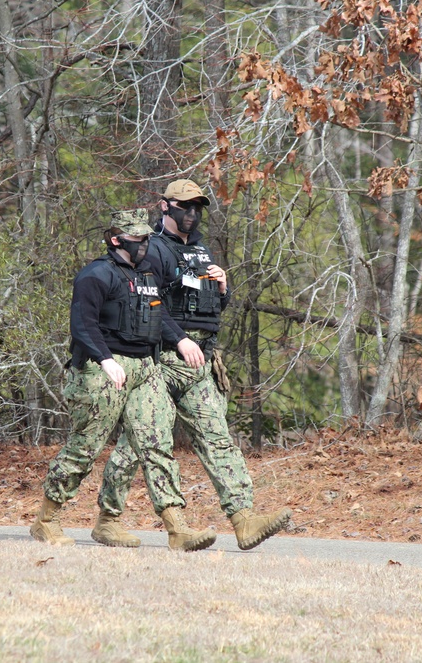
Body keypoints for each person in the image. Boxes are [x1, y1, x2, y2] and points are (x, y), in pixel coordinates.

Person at [94, 180, 292, 550]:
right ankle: (108, 519)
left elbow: (209, 310)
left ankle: (244, 519)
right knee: (141, 442)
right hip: (164, 360)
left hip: (200, 359)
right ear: (164, 207)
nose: (192, 213)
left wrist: (222, 289)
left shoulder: (201, 250)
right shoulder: (150, 250)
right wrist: (179, 340)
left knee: (217, 438)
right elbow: (151, 305)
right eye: (185, 206)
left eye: (197, 207)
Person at [30, 208, 216, 551]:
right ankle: (46, 520)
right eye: (137, 240)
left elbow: (158, 316)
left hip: (146, 369)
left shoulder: (146, 274)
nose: (144, 245)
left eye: (147, 238)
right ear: (117, 240)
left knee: (157, 444)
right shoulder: (95, 276)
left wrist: (180, 339)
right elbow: (82, 324)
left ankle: (176, 529)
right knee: (85, 447)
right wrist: (104, 360)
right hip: (103, 371)